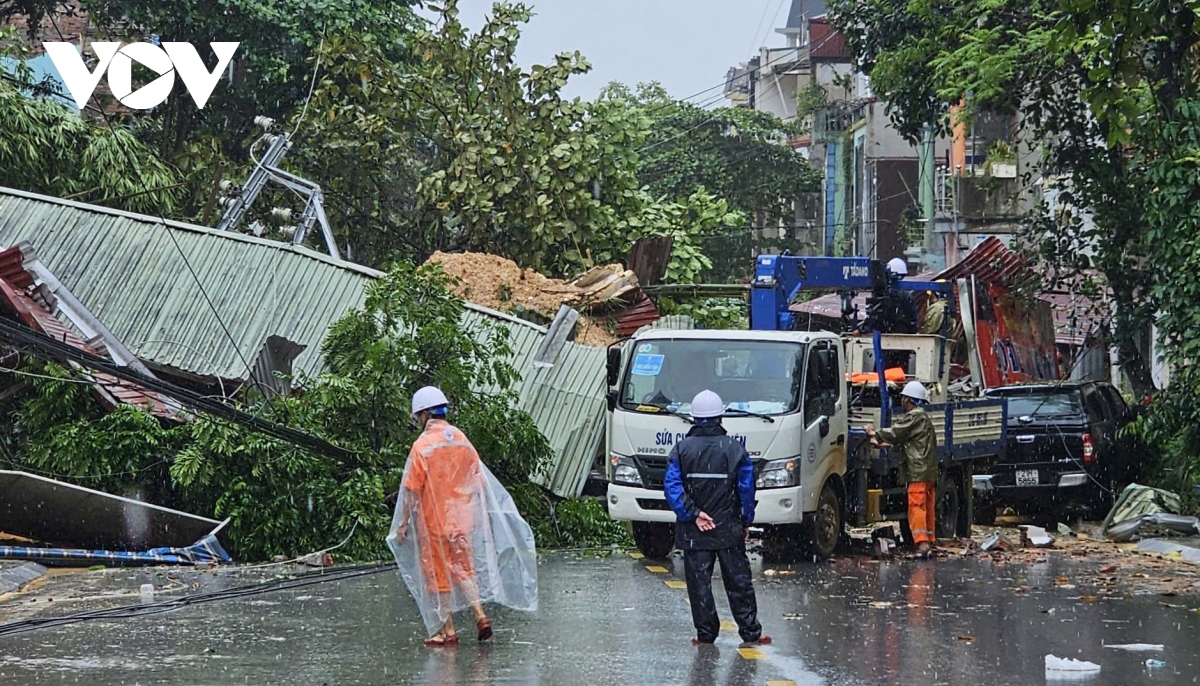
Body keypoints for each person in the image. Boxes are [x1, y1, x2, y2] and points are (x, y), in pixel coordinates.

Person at [391, 387, 498, 647]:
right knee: (464, 571)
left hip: (434, 523)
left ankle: (448, 632)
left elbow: (411, 490)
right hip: (461, 521)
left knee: (438, 576)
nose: (418, 421)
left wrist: (403, 524)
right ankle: (480, 616)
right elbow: (477, 481)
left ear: (425, 414)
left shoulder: (423, 446)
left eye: (418, 416)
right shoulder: (462, 439)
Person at [664, 390, 771, 647]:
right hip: (728, 528)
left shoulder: (681, 450)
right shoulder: (735, 450)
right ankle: (751, 632)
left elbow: (672, 487)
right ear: (720, 418)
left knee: (699, 585)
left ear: (694, 418)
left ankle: (705, 635)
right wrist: (746, 520)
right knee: (738, 581)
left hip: (694, 532)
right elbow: (746, 489)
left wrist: (694, 514)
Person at [864, 381, 939, 557]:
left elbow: (898, 432)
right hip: (927, 470)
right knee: (927, 506)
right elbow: (908, 443)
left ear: (908, 399)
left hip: (918, 471)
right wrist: (883, 445)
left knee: (916, 506)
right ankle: (928, 542)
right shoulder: (923, 419)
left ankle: (921, 544)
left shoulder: (916, 416)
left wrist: (875, 433)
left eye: (904, 398)